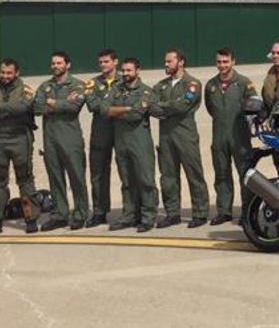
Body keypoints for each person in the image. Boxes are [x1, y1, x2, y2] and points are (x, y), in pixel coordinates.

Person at [151, 49, 209, 229]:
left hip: (185, 135)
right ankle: (172, 213)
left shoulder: (192, 84)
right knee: (168, 177)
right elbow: (151, 107)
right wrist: (167, 108)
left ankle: (200, 213)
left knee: (194, 174)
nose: (166, 64)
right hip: (166, 136)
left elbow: (183, 106)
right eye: (165, 61)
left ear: (181, 62)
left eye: (169, 61)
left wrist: (164, 108)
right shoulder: (160, 86)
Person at [33, 51, 89, 232]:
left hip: (70, 139)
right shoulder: (45, 86)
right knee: (55, 178)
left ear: (68, 65)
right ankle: (60, 214)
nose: (55, 66)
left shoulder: (78, 85)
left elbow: (74, 108)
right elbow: (37, 107)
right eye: (53, 63)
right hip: (50, 140)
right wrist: (60, 102)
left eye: (59, 63)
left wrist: (52, 102)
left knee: (77, 177)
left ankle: (80, 214)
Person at [0, 59, 40, 236]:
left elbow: (24, 107)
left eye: (9, 73)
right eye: (2, 72)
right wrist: (9, 111)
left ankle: (30, 218)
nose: (5, 76)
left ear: (17, 73)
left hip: (20, 138)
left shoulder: (26, 90)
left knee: (24, 178)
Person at [205, 47, 258, 226]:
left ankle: (246, 212)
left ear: (233, 62)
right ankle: (224, 211)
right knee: (221, 175)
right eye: (219, 62)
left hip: (240, 138)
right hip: (219, 137)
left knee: (245, 175)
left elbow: (253, 106)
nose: (222, 65)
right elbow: (211, 108)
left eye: (226, 62)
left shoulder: (244, 83)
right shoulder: (211, 85)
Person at [104, 57, 158, 233]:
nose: (126, 74)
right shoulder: (116, 89)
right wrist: (126, 108)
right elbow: (104, 109)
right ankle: (129, 215)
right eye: (124, 71)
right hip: (121, 141)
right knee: (127, 180)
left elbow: (136, 114)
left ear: (137, 70)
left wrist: (117, 110)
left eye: (129, 70)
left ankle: (148, 217)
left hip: (140, 142)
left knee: (145, 180)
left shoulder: (146, 92)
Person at [83, 48, 119, 228]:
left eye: (106, 61)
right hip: (100, 131)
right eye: (100, 62)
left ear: (115, 62)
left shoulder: (125, 78)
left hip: (122, 130)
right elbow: (92, 105)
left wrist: (105, 104)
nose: (103, 65)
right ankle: (99, 211)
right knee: (98, 173)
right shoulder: (91, 83)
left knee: (127, 172)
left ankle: (131, 210)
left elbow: (130, 102)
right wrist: (113, 104)